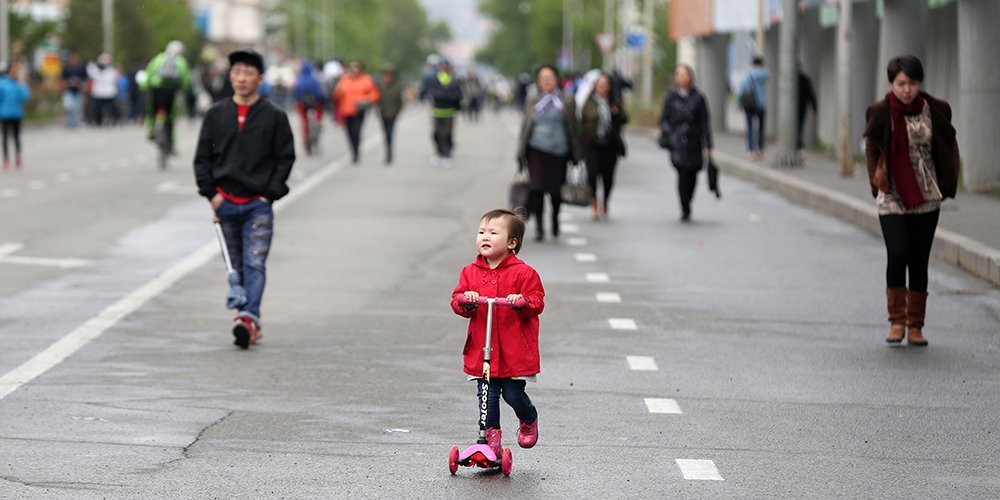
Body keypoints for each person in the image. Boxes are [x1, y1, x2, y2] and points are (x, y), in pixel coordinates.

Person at [194, 49, 296, 349]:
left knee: (255, 262)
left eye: (248, 73)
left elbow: (285, 158)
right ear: (231, 76)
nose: (241, 78)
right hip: (224, 202)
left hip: (257, 205)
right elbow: (202, 159)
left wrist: (269, 194)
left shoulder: (275, 117)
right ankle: (246, 319)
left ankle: (248, 317)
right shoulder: (216, 114)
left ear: (260, 79)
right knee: (235, 265)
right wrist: (211, 194)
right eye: (237, 72)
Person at [863, 55, 959, 347]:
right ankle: (896, 322)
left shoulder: (937, 109)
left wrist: (948, 182)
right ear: (891, 83)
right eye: (901, 83)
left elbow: (948, 146)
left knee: (919, 259)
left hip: (927, 197)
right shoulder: (879, 112)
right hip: (892, 197)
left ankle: (915, 326)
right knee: (898, 252)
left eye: (913, 83)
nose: (907, 90)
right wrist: (875, 185)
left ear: (920, 83)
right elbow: (871, 150)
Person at [450, 208, 544, 457]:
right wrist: (467, 300)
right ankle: (491, 441)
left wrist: (521, 301)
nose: (485, 237)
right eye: (481, 232)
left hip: (514, 352)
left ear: (512, 243)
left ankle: (528, 417)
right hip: (483, 349)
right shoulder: (470, 272)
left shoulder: (524, 273)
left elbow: (537, 302)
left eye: (493, 233)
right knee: (487, 397)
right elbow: (457, 301)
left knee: (513, 394)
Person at [517, 65, 582, 241]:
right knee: (537, 188)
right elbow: (525, 126)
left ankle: (555, 219)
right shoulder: (532, 100)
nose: (547, 80)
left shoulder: (567, 100)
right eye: (543, 77)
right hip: (536, 150)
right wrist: (520, 153)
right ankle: (539, 226)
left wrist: (577, 154)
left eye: (550, 77)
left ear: (557, 79)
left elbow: (574, 127)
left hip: (560, 152)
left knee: (555, 192)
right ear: (538, 81)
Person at [659, 64, 713, 222]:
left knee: (693, 173)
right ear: (675, 78)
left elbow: (705, 122)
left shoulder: (699, 97)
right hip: (677, 143)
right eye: (679, 75)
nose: (683, 78)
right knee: (682, 173)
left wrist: (708, 145)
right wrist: (670, 133)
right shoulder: (670, 97)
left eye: (686, 74)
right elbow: (664, 119)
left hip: (694, 141)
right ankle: (684, 206)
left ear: (691, 77)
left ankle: (688, 199)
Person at [579, 72, 628, 221]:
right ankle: (593, 203)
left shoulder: (614, 102)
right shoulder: (589, 102)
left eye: (606, 85)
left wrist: (617, 113)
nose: (603, 88)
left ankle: (605, 199)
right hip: (592, 144)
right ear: (595, 87)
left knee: (608, 176)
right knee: (592, 174)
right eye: (600, 85)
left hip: (610, 145)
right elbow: (582, 121)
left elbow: (624, 119)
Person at [142, 41, 192, 149]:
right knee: (170, 116)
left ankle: (151, 128)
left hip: (156, 88)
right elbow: (185, 79)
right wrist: (184, 89)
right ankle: (170, 142)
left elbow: (148, 73)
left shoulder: (158, 58)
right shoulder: (181, 61)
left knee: (152, 110)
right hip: (171, 90)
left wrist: (145, 86)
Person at [333, 61, 380, 164]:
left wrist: (365, 99)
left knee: (356, 131)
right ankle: (353, 150)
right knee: (349, 133)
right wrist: (338, 91)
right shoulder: (344, 80)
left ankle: (356, 152)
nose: (355, 71)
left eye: (357, 68)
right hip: (346, 111)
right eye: (353, 68)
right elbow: (337, 95)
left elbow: (374, 94)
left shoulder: (366, 80)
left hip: (359, 110)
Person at [425, 59, 462, 167]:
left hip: (449, 112)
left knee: (448, 134)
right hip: (437, 111)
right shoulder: (433, 79)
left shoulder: (454, 80)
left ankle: (447, 154)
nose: (445, 68)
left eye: (447, 66)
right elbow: (431, 93)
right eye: (443, 66)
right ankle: (438, 153)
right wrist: (445, 95)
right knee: (436, 133)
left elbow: (457, 95)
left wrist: (444, 96)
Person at [0, 62, 30, 170]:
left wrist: (21, 84)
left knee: (16, 137)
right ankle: (6, 159)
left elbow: (25, 97)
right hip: (4, 113)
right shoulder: (3, 83)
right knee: (5, 138)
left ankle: (18, 156)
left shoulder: (19, 84)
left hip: (16, 113)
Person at [738, 56, 768, 159]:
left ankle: (750, 150)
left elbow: (741, 90)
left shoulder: (746, 75)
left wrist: (739, 104)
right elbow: (767, 74)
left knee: (750, 128)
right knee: (761, 128)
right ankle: (759, 149)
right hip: (761, 104)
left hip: (749, 104)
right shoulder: (763, 74)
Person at [293, 60, 324, 153]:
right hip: (314, 103)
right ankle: (318, 124)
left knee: (304, 122)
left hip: (302, 103)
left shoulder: (299, 80)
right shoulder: (314, 79)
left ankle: (305, 141)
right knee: (318, 115)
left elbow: (295, 93)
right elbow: (319, 93)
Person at [377, 67, 403, 165]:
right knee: (385, 134)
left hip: (392, 114)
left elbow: (400, 102)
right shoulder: (381, 86)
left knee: (390, 133)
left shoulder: (396, 87)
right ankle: (387, 152)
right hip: (383, 114)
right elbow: (377, 100)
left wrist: (397, 112)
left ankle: (389, 153)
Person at [87, 53, 120, 127]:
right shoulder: (95, 70)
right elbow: (90, 73)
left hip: (109, 93)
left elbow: (114, 79)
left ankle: (110, 120)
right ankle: (98, 121)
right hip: (98, 93)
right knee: (98, 108)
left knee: (110, 108)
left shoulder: (111, 71)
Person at [60, 53, 88, 129]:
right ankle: (69, 122)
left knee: (77, 108)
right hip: (68, 90)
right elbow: (62, 79)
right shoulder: (66, 68)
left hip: (78, 90)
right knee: (68, 106)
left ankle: (76, 123)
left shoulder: (81, 68)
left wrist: (81, 85)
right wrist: (67, 84)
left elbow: (85, 79)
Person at [797, 64, 818, 151]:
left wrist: (814, 108)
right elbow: (811, 95)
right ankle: (798, 142)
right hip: (802, 105)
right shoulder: (806, 79)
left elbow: (811, 95)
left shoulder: (790, 80)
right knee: (800, 125)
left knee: (797, 124)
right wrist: (814, 108)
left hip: (798, 106)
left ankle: (797, 142)